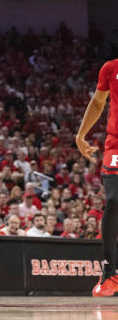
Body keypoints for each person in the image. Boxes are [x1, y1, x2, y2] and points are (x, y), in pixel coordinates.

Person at [76, 57, 118, 296]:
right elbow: (97, 102)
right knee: (113, 200)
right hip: (116, 145)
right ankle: (109, 273)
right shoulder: (111, 68)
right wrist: (81, 135)